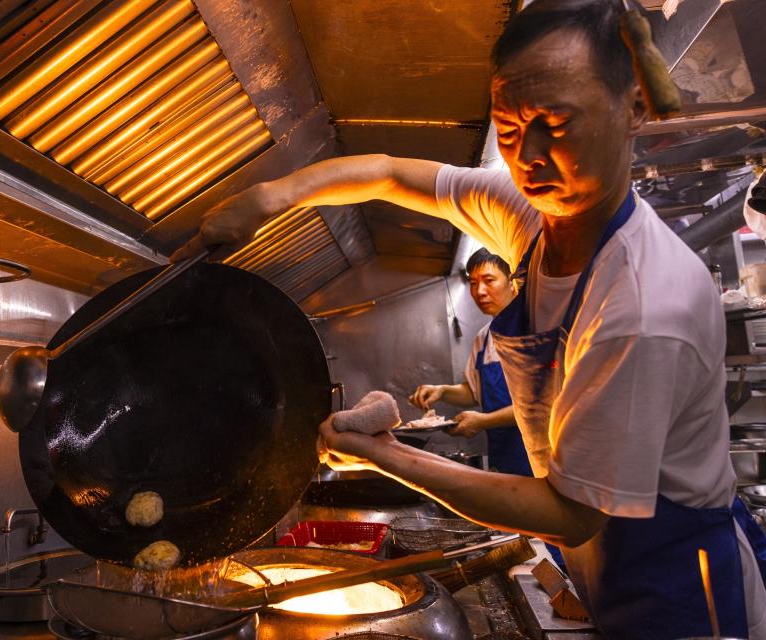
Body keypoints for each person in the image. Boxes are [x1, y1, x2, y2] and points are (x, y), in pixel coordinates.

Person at [174, 0, 766, 637]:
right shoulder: (531, 212)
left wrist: (384, 456)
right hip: (603, 560)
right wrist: (269, 197)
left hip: (685, 582)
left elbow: (571, 513)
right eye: (509, 129)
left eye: (556, 123)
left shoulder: (645, 303)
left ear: (634, 108)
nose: (527, 156)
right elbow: (393, 175)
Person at [409, 248, 531, 476]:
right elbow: (474, 392)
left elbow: (542, 406)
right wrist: (442, 391)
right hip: (503, 460)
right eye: (473, 283)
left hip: (538, 459)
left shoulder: (533, 331)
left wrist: (483, 421)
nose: (479, 291)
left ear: (512, 283)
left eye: (489, 280)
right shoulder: (483, 338)